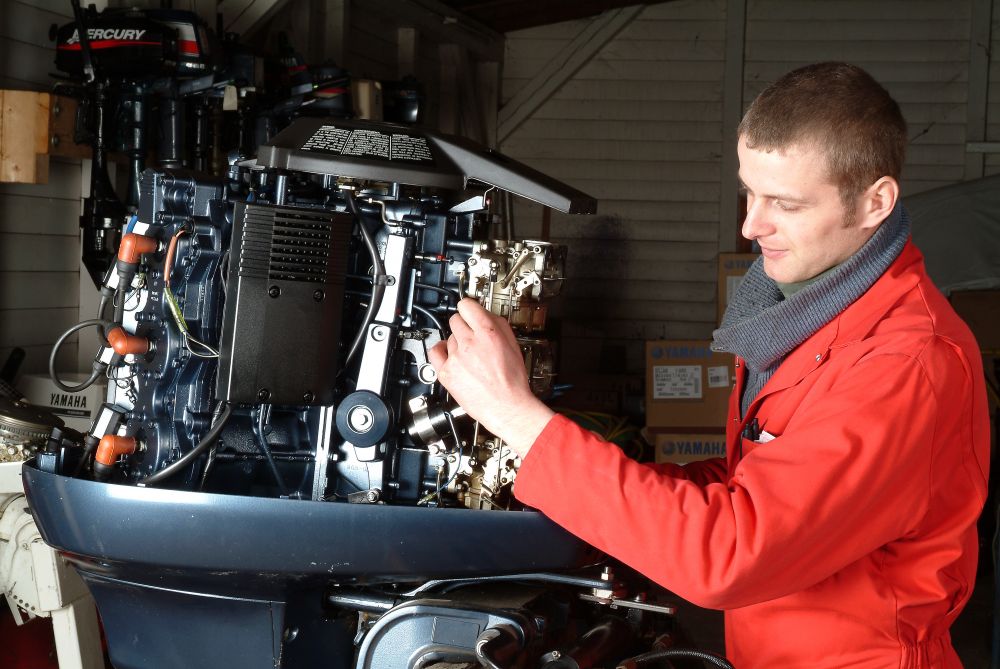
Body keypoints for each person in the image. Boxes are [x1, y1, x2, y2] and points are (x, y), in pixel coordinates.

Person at [428, 62, 990, 668]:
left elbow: (731, 552)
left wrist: (517, 417)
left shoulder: (904, 363)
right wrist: (589, 477)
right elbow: (753, 483)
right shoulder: (812, 314)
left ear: (875, 202)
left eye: (786, 204)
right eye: (749, 191)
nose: (752, 225)